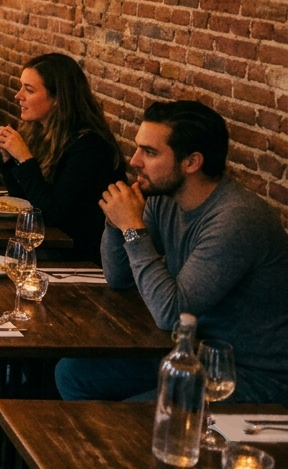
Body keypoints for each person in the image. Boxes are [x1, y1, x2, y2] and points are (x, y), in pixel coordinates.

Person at [56, 101, 288, 403]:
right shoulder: (163, 198)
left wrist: (132, 227)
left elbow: (170, 314)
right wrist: (116, 221)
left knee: (135, 417)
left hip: (248, 373)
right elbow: (119, 277)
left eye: (149, 152)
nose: (135, 161)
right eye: (138, 148)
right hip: (188, 351)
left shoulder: (237, 219)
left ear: (191, 162)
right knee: (73, 373)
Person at [0, 54, 125, 260]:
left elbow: (52, 215)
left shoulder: (89, 147)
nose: (18, 95)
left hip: (77, 255)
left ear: (57, 98)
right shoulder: (40, 132)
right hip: (49, 242)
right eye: (21, 87)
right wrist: (9, 160)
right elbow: (23, 202)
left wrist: (25, 159)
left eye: (29, 90)